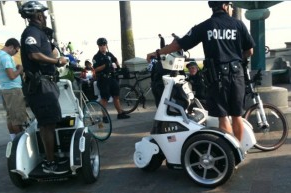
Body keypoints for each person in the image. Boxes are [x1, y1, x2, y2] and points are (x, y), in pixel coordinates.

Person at [147, 1, 255, 142]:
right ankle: (239, 150)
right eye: (230, 5)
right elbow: (250, 51)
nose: (231, 8)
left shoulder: (205, 26)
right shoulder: (238, 24)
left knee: (223, 118)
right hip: (237, 74)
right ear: (225, 6)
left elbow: (179, 44)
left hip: (217, 77)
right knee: (237, 116)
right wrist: (235, 58)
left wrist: (156, 52)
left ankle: (230, 156)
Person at [19, 1, 69, 174]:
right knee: (46, 124)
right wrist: (56, 61)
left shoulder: (39, 33)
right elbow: (33, 54)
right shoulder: (31, 32)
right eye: (44, 14)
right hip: (40, 86)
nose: (45, 17)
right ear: (38, 15)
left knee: (50, 122)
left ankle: (52, 156)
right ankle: (50, 163)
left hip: (46, 83)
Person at [0, 38, 27, 141]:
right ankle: (20, 143)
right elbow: (11, 76)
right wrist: (20, 69)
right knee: (17, 119)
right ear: (11, 47)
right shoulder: (6, 57)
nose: (15, 53)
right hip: (13, 90)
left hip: (5, 90)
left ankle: (13, 141)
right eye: (16, 50)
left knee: (11, 118)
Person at [92, 37, 130, 120]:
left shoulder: (109, 54)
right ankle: (104, 116)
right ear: (98, 46)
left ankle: (120, 114)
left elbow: (115, 59)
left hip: (112, 78)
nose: (102, 46)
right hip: (103, 79)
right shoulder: (96, 57)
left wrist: (119, 68)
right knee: (104, 98)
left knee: (116, 96)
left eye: (104, 45)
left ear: (106, 45)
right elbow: (95, 69)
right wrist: (105, 65)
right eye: (100, 45)